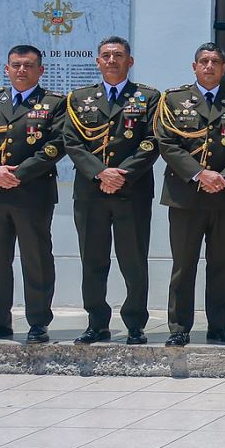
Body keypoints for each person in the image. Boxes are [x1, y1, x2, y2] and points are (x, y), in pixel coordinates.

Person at [0, 44, 66, 344]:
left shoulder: (54, 103)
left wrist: (18, 174)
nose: (22, 70)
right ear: (6, 69)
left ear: (40, 70)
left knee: (36, 259)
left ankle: (38, 323)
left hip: (32, 193)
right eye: (16, 65)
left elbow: (56, 145)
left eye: (29, 65)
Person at [153, 42, 225, 345]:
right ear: (194, 66)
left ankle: (219, 326)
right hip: (185, 196)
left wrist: (224, 177)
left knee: (222, 264)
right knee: (184, 265)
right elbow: (166, 143)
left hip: (223, 195)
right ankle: (179, 328)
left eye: (215, 62)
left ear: (224, 68)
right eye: (204, 61)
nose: (209, 66)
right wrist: (200, 173)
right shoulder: (173, 100)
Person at [62, 36, 160, 345]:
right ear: (97, 61)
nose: (112, 60)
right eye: (106, 55)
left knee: (134, 261)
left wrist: (121, 174)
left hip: (132, 192)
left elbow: (152, 141)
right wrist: (100, 172)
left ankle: (135, 324)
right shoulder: (79, 98)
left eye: (118, 55)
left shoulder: (148, 97)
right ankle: (96, 323)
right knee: (93, 261)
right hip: (91, 193)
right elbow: (72, 142)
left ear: (130, 61)